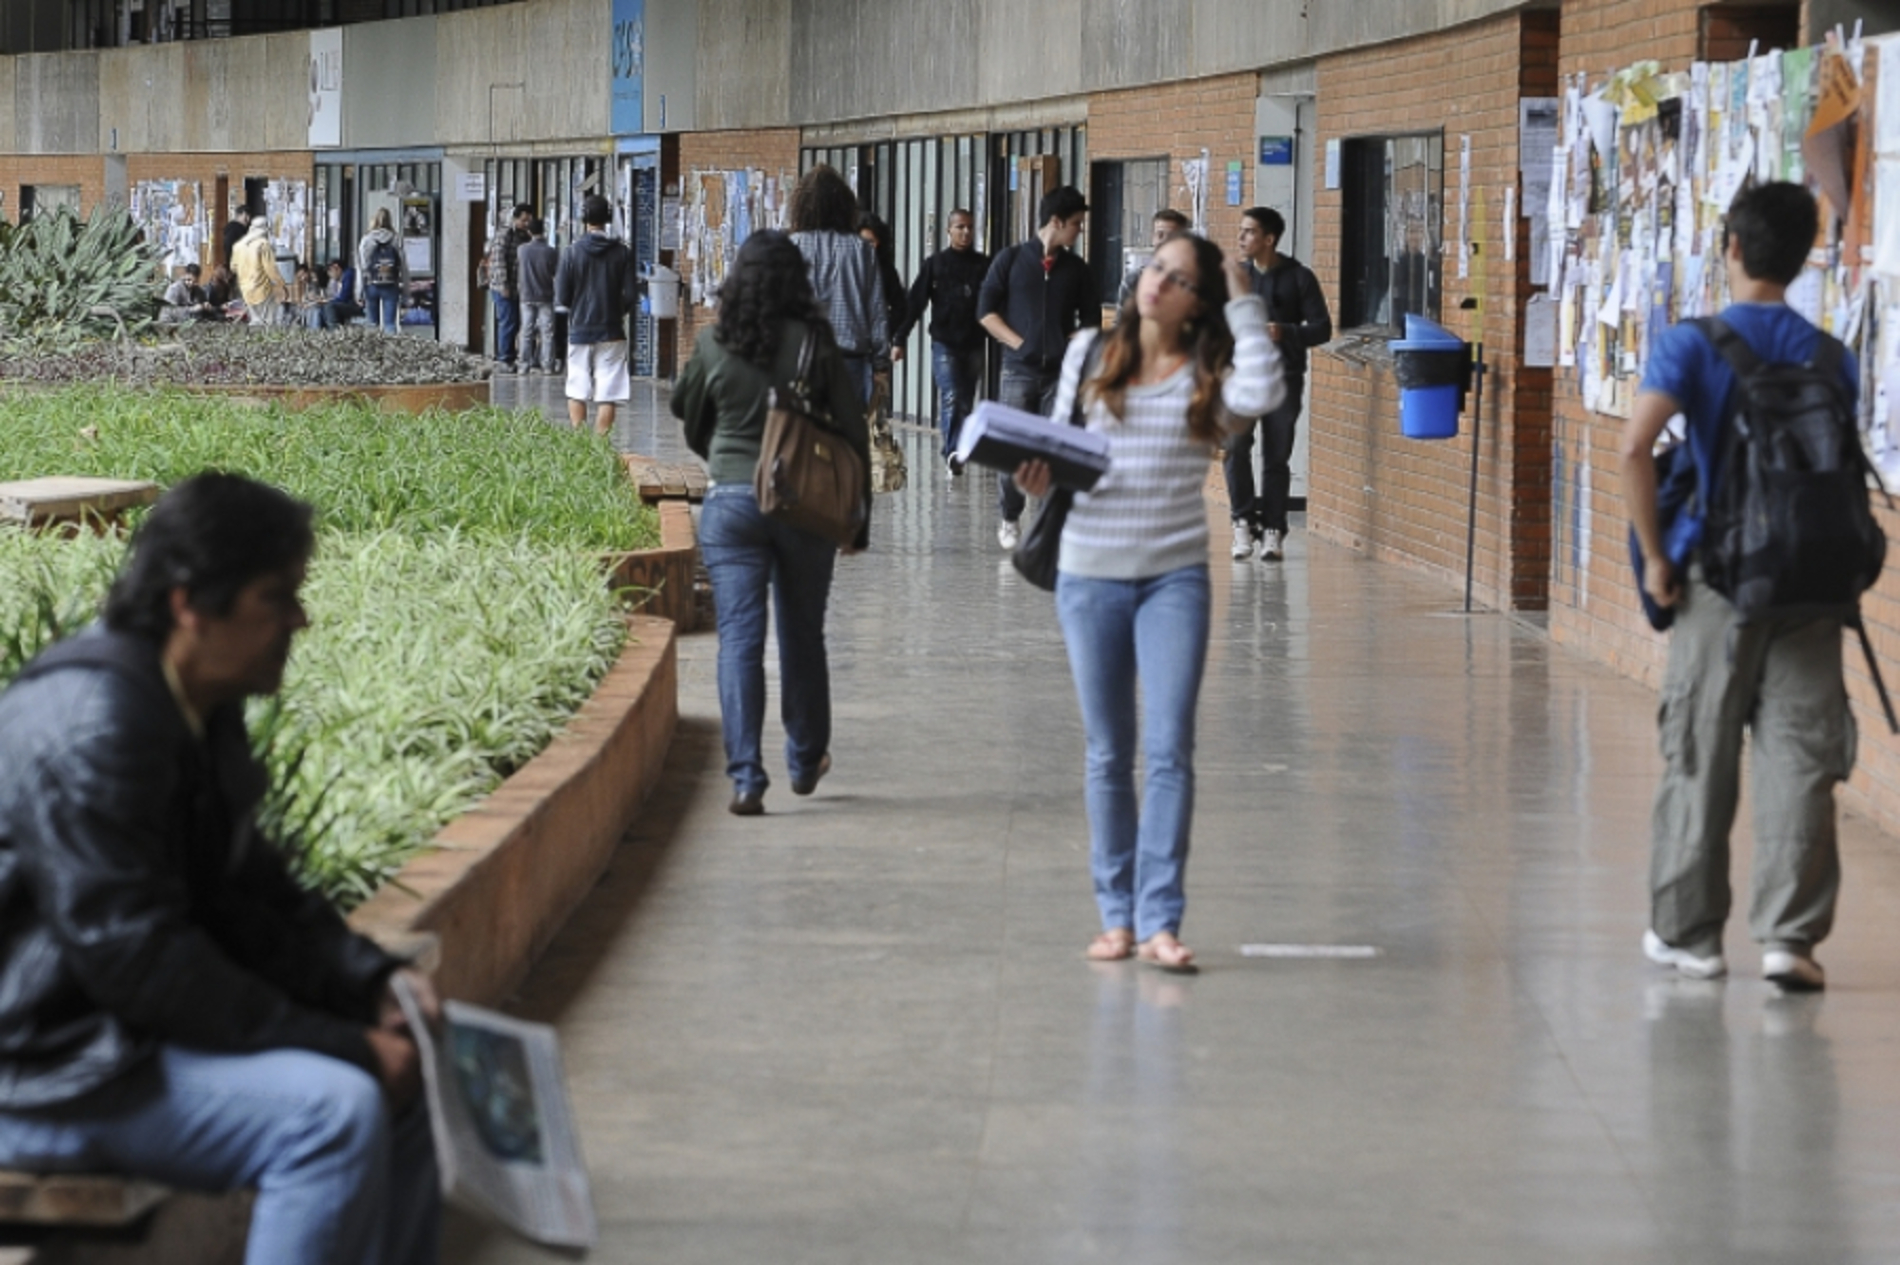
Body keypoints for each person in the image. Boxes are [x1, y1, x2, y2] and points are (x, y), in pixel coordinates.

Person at [0, 473, 442, 1265]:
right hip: (44, 1064)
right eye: (278, 597)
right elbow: (134, 955)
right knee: (330, 1112)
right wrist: (343, 1044)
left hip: (110, 1039)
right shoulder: (93, 725)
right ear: (189, 604)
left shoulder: (195, 700)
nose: (299, 620)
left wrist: (371, 983)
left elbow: (252, 890)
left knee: (419, 1081)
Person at [1014, 232, 1281, 971]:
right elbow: (1060, 451)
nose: (1156, 282)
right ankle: (1116, 917)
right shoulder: (1088, 355)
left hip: (1174, 578)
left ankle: (1161, 919)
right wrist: (1040, 479)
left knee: (1168, 750)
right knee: (1108, 751)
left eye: (1178, 278)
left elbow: (1264, 395)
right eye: (1155, 267)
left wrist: (1245, 300)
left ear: (1199, 304)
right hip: (1089, 571)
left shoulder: (1208, 371)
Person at [1617, 182, 1858, 993]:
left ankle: (1690, 934)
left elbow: (1633, 450)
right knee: (1801, 757)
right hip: (1813, 584)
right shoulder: (1833, 355)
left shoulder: (1693, 344)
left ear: (1731, 248)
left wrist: (1655, 557)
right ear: (1803, 256)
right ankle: (1791, 938)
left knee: (1701, 749)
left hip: (1719, 580)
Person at [669, 231, 870, 817]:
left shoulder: (713, 341)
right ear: (797, 281)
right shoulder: (816, 343)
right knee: (803, 633)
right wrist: (857, 519)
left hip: (730, 504)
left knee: (739, 639)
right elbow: (853, 435)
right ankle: (806, 759)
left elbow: (687, 409)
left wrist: (721, 454)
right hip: (803, 506)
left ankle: (746, 778)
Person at [978, 184, 1102, 549]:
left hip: (1061, 375)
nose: (1079, 230)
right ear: (1056, 221)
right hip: (1017, 370)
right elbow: (985, 311)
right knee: (1014, 448)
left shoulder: (1077, 269)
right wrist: (1021, 343)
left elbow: (1092, 319)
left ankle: (1047, 524)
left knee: (1054, 451)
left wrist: (1074, 343)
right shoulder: (1012, 259)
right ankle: (1009, 515)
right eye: (1076, 223)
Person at [1224, 206, 1331, 562]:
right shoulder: (1236, 277)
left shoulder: (1299, 277)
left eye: (1249, 232)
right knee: (1236, 446)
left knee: (1276, 455)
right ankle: (1241, 520)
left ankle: (1273, 530)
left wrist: (1284, 332)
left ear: (1269, 239)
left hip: (1284, 378)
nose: (1241, 238)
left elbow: (1322, 328)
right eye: (1241, 231)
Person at [896, 208, 990, 475]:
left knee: (965, 399)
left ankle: (959, 446)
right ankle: (952, 453)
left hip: (973, 342)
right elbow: (915, 303)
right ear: (949, 230)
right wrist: (900, 337)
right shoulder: (935, 264)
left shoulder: (983, 265)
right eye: (960, 227)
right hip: (944, 342)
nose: (966, 232)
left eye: (970, 227)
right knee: (951, 394)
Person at [787, 164, 887, 408]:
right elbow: (877, 312)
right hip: (849, 361)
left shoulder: (790, 247)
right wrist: (881, 364)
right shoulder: (861, 250)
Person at [553, 194, 637, 436]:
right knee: (608, 392)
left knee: (577, 386)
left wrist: (577, 308)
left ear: (583, 219)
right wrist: (616, 311)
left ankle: (580, 443)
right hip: (612, 329)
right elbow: (631, 295)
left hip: (579, 328)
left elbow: (562, 296)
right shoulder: (622, 252)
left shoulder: (571, 253)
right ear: (608, 218)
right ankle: (600, 445)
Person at [856, 210, 909, 432]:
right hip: (853, 344)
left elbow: (900, 305)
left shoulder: (885, 271)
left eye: (875, 242)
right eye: (867, 242)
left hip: (876, 347)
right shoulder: (850, 269)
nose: (873, 247)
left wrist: (890, 334)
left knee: (876, 404)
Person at [481, 202, 533, 368]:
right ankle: (505, 358)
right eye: (524, 220)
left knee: (514, 322)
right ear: (515, 218)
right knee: (508, 321)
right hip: (502, 286)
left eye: (529, 221)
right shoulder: (504, 234)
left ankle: (509, 355)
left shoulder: (524, 236)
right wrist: (503, 284)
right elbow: (498, 260)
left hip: (516, 287)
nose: (526, 224)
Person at [1116, 209, 1191, 307]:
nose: (1164, 241)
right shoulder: (1134, 280)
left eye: (1171, 236)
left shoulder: (1191, 283)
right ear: (1153, 238)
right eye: (1160, 235)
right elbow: (1121, 321)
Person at [355, 208, 410, 335]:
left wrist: (359, 292)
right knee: (390, 324)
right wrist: (406, 290)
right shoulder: (396, 239)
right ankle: (391, 351)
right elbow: (404, 267)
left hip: (371, 284)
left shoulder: (367, 240)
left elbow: (361, 267)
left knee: (372, 323)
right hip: (391, 283)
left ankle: (373, 352)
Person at [517, 217, 559, 375]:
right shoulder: (551, 251)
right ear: (544, 231)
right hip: (546, 295)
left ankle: (523, 365)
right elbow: (556, 273)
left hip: (526, 295)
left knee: (526, 332)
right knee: (547, 332)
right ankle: (547, 366)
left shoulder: (522, 250)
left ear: (529, 231)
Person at [231, 215, 287, 327]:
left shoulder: (238, 246)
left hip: (245, 290)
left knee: (254, 321)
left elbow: (233, 267)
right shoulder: (263, 244)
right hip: (261, 289)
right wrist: (282, 284)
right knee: (268, 321)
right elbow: (271, 270)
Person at [326, 257, 364, 326]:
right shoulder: (339, 279)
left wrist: (329, 301)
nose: (330, 274)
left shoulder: (348, 274)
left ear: (336, 267)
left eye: (330, 271)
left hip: (357, 305)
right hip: (350, 304)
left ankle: (335, 332)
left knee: (330, 307)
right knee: (320, 308)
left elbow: (344, 296)